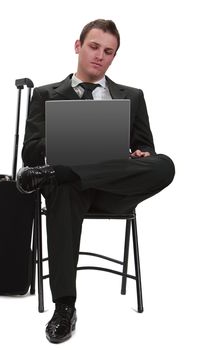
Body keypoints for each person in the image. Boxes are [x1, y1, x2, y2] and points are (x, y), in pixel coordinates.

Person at [17, 19, 175, 344]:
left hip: (113, 191)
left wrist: (141, 155)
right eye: (94, 46)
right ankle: (65, 307)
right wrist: (62, 137)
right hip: (69, 192)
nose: (100, 56)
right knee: (62, 187)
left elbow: (146, 149)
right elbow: (30, 156)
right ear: (78, 46)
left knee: (165, 165)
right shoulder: (46, 94)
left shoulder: (132, 96)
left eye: (109, 52)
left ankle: (65, 172)